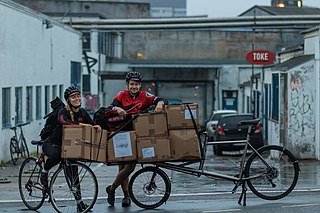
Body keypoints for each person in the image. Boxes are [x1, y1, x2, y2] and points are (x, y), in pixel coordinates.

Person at [105, 71, 168, 207]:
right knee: (122, 166)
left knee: (130, 166)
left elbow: (160, 99)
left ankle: (111, 189)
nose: (134, 87)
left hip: (137, 134)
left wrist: (160, 103)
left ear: (140, 85)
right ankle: (126, 196)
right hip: (121, 133)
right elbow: (111, 107)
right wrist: (117, 109)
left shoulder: (144, 96)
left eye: (137, 84)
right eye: (132, 84)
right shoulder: (122, 95)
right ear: (128, 84)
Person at [40, 86, 101, 211]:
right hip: (51, 144)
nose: (77, 98)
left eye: (78, 96)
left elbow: (92, 124)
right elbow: (64, 122)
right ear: (68, 100)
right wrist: (81, 125)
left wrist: (97, 127)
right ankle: (44, 172)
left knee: (74, 175)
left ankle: (80, 204)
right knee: (57, 155)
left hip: (68, 148)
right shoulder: (63, 111)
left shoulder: (82, 112)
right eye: (73, 97)